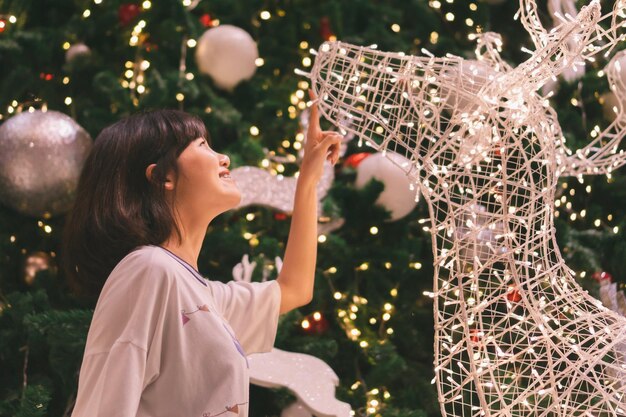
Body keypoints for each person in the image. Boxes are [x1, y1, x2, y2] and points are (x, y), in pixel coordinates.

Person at [62, 91, 341, 417]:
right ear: (163, 176)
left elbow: (294, 289)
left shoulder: (201, 295)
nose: (224, 158)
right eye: (202, 145)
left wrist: (307, 180)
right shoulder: (148, 270)